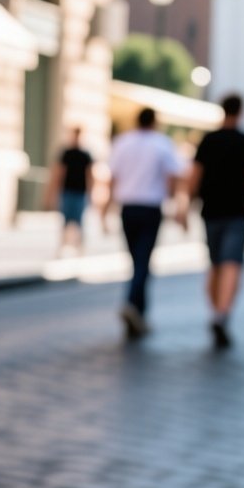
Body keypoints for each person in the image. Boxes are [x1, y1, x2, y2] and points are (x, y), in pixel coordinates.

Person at [184, 94, 244, 349]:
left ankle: (215, 312)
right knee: (232, 264)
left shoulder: (208, 140)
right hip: (237, 212)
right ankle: (222, 313)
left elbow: (194, 178)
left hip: (210, 211)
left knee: (215, 264)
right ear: (241, 111)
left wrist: (185, 207)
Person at [104, 108, 187, 341]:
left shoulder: (123, 142)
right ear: (155, 122)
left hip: (128, 207)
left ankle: (139, 313)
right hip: (150, 207)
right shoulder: (162, 144)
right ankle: (133, 304)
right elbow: (175, 177)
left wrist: (105, 209)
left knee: (136, 260)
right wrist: (179, 207)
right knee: (143, 261)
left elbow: (112, 178)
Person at [47, 127, 94, 255]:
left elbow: (90, 175)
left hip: (80, 192)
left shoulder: (86, 154)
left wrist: (91, 193)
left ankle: (80, 248)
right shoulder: (66, 153)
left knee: (79, 221)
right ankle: (62, 247)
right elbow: (59, 173)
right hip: (67, 191)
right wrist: (53, 192)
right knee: (65, 220)